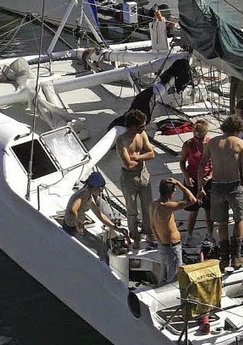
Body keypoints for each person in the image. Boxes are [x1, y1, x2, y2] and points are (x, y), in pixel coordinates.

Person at [197, 115, 243, 270]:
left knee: (222, 223)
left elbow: (202, 165)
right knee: (239, 219)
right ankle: (236, 256)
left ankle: (224, 258)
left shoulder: (212, 142)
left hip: (217, 186)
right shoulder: (240, 143)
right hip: (234, 186)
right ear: (238, 129)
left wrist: (200, 187)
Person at [116, 108, 155, 246]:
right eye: (142, 125)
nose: (144, 127)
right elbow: (128, 164)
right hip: (129, 177)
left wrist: (137, 156)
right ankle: (135, 236)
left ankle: (148, 232)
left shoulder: (142, 134)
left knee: (147, 205)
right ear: (133, 126)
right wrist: (142, 157)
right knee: (132, 209)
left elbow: (152, 154)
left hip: (143, 173)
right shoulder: (122, 141)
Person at [63, 172, 123, 261]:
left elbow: (99, 215)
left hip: (74, 227)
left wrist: (116, 228)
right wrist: (78, 224)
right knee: (101, 246)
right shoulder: (84, 193)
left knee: (100, 246)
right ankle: (104, 270)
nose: (101, 191)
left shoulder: (88, 194)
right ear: (96, 187)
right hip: (72, 229)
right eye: (101, 188)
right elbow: (73, 210)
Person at [150, 178, 197, 285]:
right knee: (175, 278)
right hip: (172, 247)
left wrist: (159, 241)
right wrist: (180, 184)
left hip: (162, 245)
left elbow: (152, 226)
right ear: (171, 193)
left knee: (164, 275)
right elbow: (192, 200)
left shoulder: (153, 205)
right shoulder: (167, 206)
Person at [179, 118, 215, 252]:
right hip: (192, 179)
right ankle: (189, 234)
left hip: (207, 179)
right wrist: (186, 176)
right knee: (193, 209)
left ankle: (210, 234)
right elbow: (182, 162)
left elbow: (215, 163)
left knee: (208, 209)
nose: (199, 139)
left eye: (202, 137)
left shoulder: (210, 143)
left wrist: (209, 176)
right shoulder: (188, 144)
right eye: (197, 136)